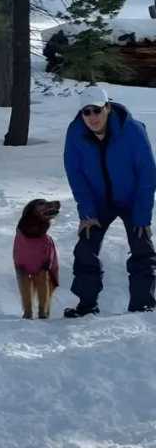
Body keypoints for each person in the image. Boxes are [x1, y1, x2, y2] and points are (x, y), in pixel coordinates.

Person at [63, 86, 156, 317]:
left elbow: (147, 173)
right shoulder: (75, 133)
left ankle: (142, 305)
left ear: (108, 108)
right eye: (87, 112)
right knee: (85, 247)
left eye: (97, 110)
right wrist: (87, 212)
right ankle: (86, 306)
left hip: (132, 199)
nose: (92, 117)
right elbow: (76, 175)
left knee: (142, 245)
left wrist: (143, 215)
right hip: (98, 202)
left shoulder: (132, 130)